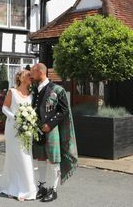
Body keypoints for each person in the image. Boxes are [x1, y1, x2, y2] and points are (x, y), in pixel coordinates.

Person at [30, 63, 78, 202]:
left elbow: (64, 111)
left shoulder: (57, 89)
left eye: (33, 72)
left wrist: (50, 124)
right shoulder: (35, 89)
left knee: (53, 159)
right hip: (37, 129)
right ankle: (42, 186)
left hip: (51, 130)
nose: (31, 75)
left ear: (40, 72)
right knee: (40, 158)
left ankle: (53, 189)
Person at [0, 70, 37, 201]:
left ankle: (27, 189)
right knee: (14, 157)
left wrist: (30, 120)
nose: (30, 76)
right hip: (13, 128)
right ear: (20, 77)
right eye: (27, 74)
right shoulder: (12, 92)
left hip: (26, 129)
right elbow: (4, 108)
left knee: (25, 156)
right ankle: (12, 187)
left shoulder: (32, 94)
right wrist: (15, 117)